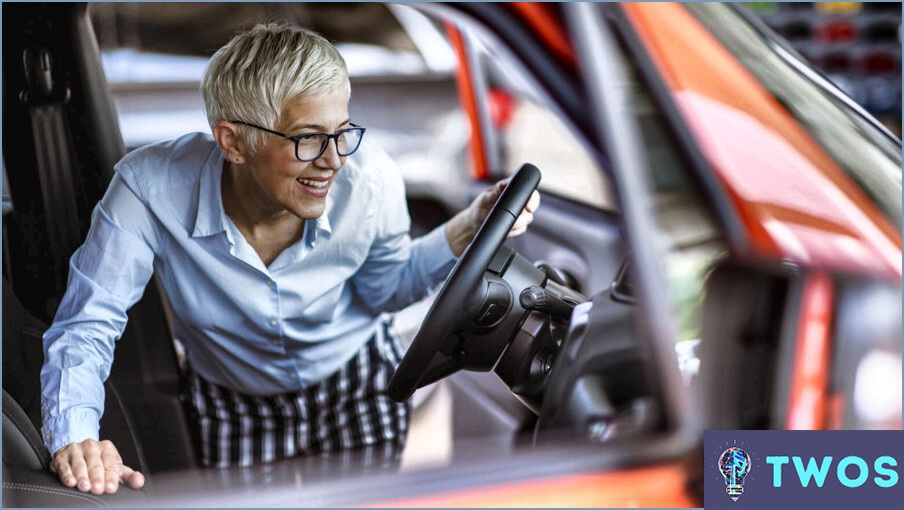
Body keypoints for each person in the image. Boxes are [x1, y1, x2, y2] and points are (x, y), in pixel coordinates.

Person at [40, 23, 539, 494]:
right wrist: (75, 434)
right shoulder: (148, 188)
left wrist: (469, 224)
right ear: (233, 141)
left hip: (356, 380)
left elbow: (385, 290)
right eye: (307, 138)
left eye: (342, 131)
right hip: (231, 399)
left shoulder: (371, 181)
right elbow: (88, 322)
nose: (334, 160)